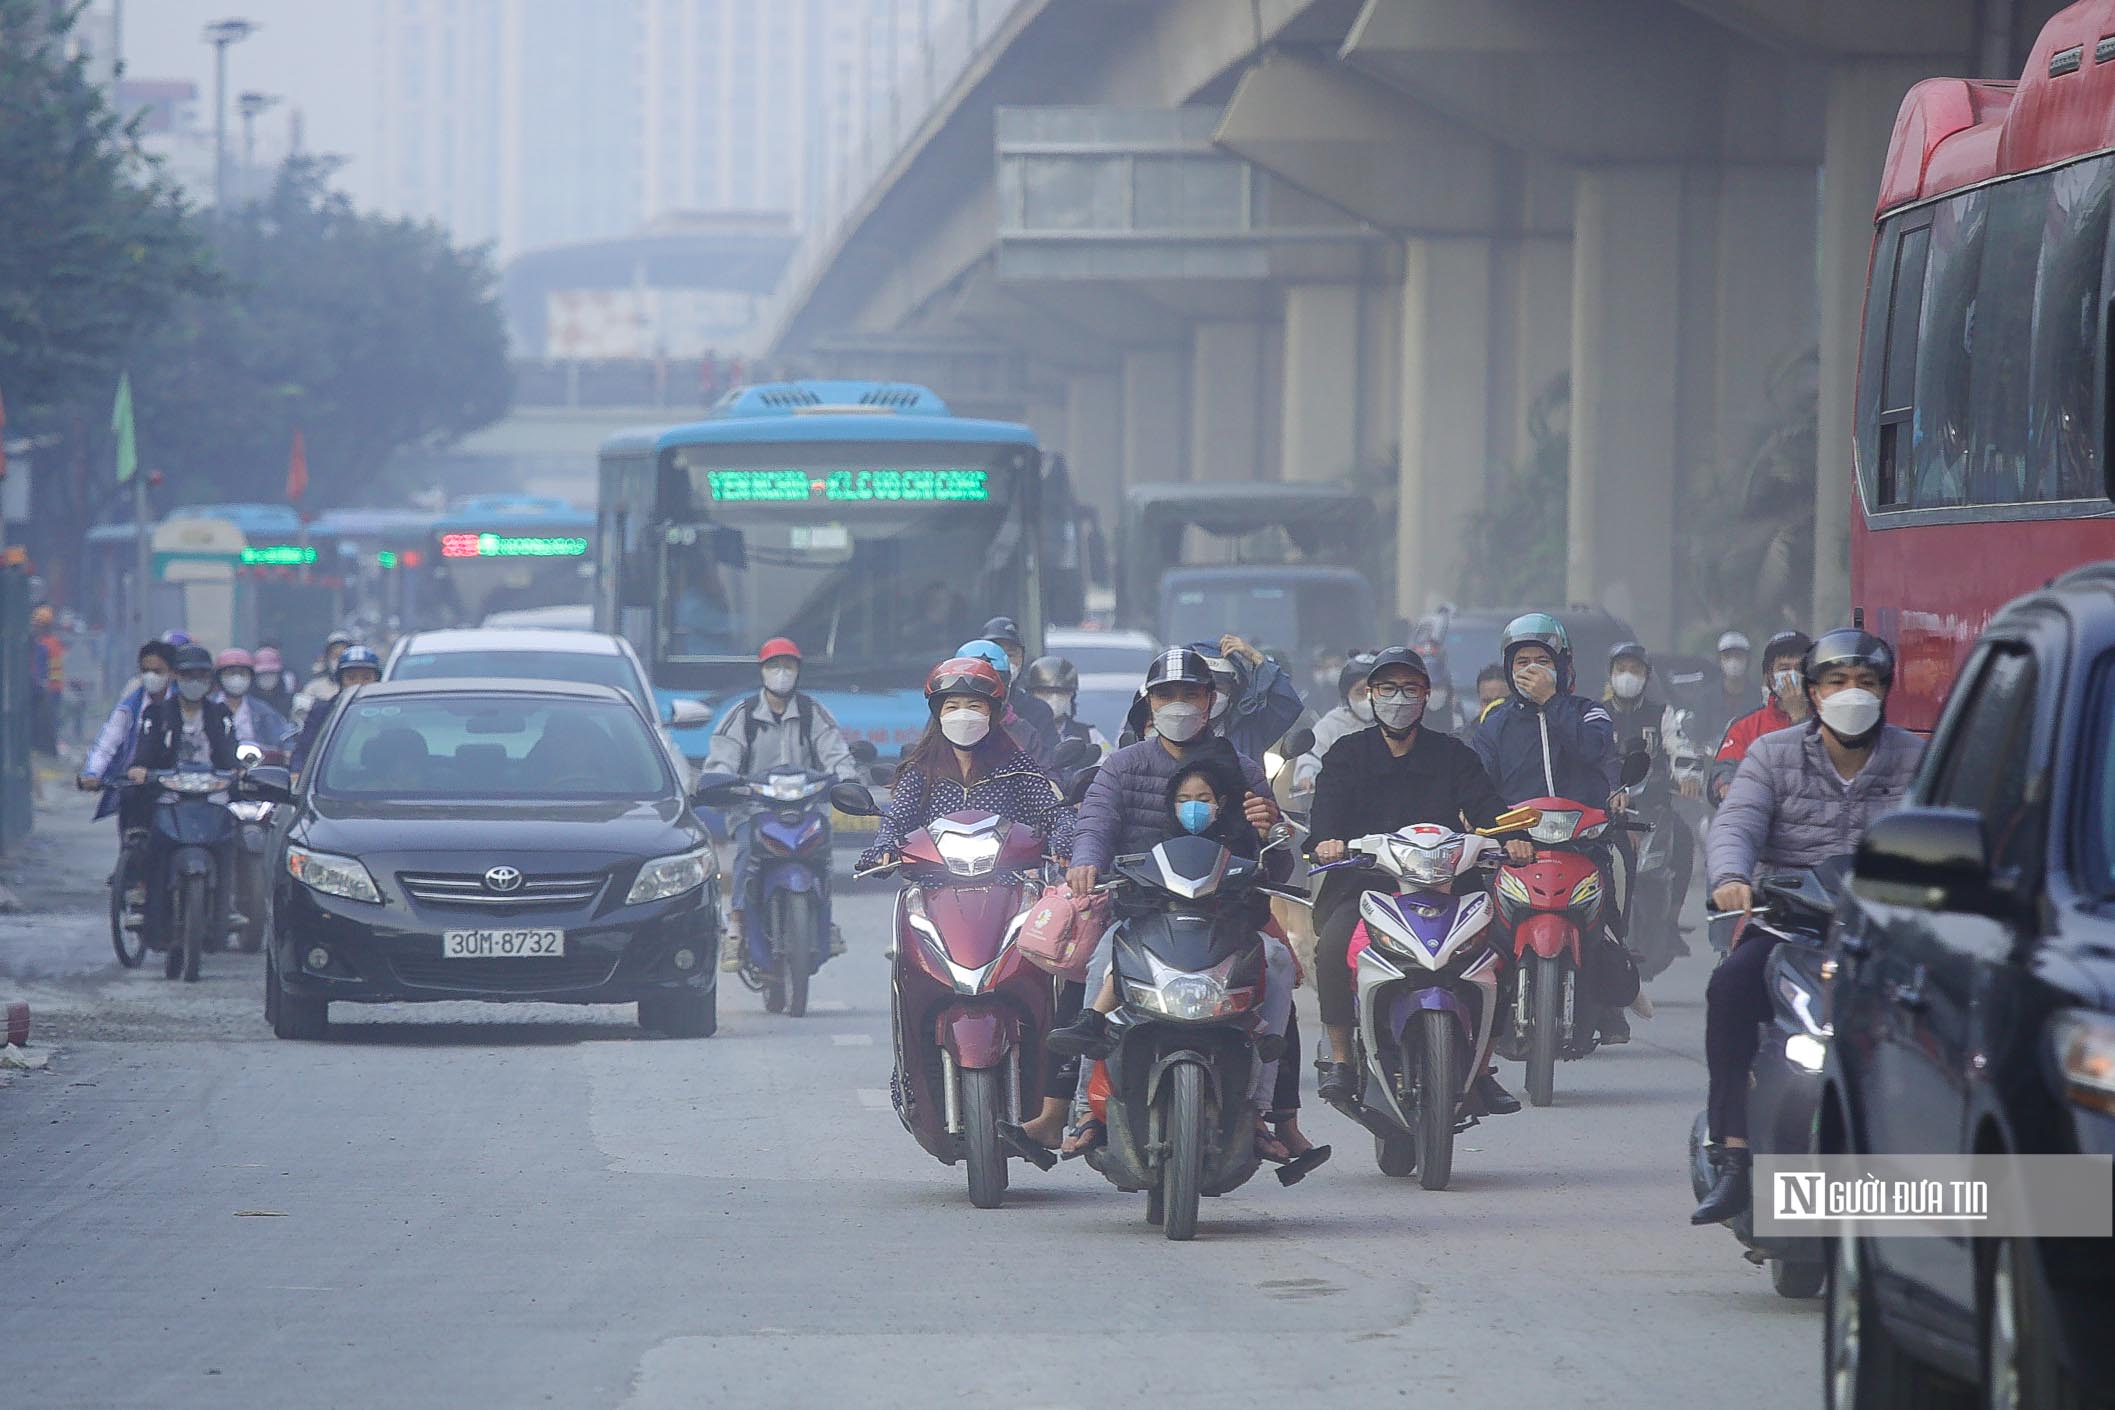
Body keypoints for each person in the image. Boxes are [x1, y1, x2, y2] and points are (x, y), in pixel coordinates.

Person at [1691, 630, 1923, 1224]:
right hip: (1789, 922)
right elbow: (1737, 821)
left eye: (1866, 682)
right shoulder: (1772, 755)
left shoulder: (1919, 760)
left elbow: (1941, 832)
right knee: (1731, 989)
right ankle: (1734, 1153)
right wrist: (1732, 877)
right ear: (1812, 693)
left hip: (1886, 931)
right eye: (1837, 682)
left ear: (1885, 691)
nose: (1852, 694)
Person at [1057, 649, 1313, 1161]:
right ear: (1149, 704)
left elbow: (1276, 861)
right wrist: (1086, 862)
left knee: (1280, 964)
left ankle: (1266, 1112)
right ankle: (1088, 1108)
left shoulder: (1239, 768)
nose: (1178, 704)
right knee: (1097, 963)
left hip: (1228, 916)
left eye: (1189, 694)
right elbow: (1096, 823)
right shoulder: (1122, 766)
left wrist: (1270, 831)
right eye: (1166, 695)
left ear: (1210, 701)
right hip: (1143, 914)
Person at [856, 656, 1078, 1149]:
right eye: (952, 705)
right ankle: (911, 1075)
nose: (963, 715)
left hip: (1007, 892)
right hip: (936, 894)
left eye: (974, 705)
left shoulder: (1018, 769)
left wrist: (1065, 838)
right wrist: (883, 846)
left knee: (1055, 972)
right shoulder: (921, 770)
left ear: (994, 711)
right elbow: (896, 820)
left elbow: (1053, 811)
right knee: (906, 975)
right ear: (937, 713)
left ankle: (1054, 1086)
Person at [1307, 648, 1529, 1113]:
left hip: (1448, 887)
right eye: (1387, 689)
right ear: (1370, 696)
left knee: (1501, 955)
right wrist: (1328, 841)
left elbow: (1487, 806)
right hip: (1368, 886)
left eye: (1409, 688)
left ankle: (1483, 1067)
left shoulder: (1453, 755)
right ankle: (1342, 1059)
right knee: (1330, 948)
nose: (1398, 699)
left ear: (1426, 696)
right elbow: (1326, 814)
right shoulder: (1348, 754)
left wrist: (1513, 837)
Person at [1472, 613, 1630, 1043]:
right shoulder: (1496, 722)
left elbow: (1594, 750)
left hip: (1582, 844)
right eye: (1521, 661)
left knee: (1615, 882)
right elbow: (1478, 782)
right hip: (1514, 845)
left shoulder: (1589, 712)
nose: (1531, 669)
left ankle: (1613, 996)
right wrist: (1492, 831)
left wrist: (1551, 702)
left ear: (1562, 664)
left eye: (1541, 659)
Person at [703, 638, 862, 969]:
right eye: (774, 666)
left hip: (805, 809)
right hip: (754, 809)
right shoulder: (742, 715)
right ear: (762, 671)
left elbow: (836, 753)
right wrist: (722, 781)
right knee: (747, 853)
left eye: (788, 666)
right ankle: (735, 928)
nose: (781, 673)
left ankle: (825, 921)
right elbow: (722, 760)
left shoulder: (812, 713)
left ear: (798, 671)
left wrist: (846, 778)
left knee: (823, 851)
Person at [78, 640, 180, 911]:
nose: (151, 677)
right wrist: (92, 773)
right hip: (136, 779)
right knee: (133, 821)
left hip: (180, 782)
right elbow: (107, 743)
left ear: (172, 672)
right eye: (145, 670)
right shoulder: (131, 705)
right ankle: (136, 881)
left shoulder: (187, 703)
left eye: (158, 670)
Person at [1604, 641, 1695, 943]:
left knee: (1683, 839)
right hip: (1607, 812)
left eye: (1635, 670)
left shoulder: (1661, 714)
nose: (1627, 675)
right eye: (1621, 669)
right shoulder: (1596, 715)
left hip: (1653, 807)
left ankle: (1671, 920)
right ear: (1611, 674)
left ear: (1646, 676)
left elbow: (1680, 748)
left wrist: (1687, 777)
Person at [1710, 629, 1814, 803]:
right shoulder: (1746, 726)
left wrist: (1799, 718)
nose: (1792, 676)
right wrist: (1725, 783)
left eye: (1799, 668)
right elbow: (1724, 768)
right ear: (1769, 678)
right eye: (1784, 669)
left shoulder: (1827, 721)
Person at [1187, 634, 1304, 763]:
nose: (1212, 695)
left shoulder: (1251, 731)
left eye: (1219, 686)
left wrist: (1256, 657)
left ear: (1232, 691)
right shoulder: (1172, 728)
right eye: (1203, 687)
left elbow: (1287, 705)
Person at [129, 644, 240, 778]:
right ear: (176, 675)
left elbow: (229, 752)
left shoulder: (221, 714)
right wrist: (139, 769)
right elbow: (144, 751)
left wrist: (237, 770)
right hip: (167, 793)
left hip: (215, 792)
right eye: (188, 675)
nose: (195, 681)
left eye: (202, 675)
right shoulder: (156, 713)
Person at [1290, 652, 1376, 803]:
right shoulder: (1330, 725)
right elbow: (1311, 758)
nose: (1367, 700)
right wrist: (1307, 776)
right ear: (1346, 695)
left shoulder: (1395, 722)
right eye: (1359, 692)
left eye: (1373, 692)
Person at [976, 617, 1059, 765]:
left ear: (1022, 659)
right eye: (995, 655)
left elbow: (1051, 767)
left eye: (1010, 655)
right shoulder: (956, 704)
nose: (1003, 662)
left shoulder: (1038, 711)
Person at [290, 645, 382, 777]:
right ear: (341, 681)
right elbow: (304, 751)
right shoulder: (323, 712)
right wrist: (297, 774)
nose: (359, 683)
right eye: (351, 678)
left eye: (366, 678)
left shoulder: (391, 714)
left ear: (376, 680)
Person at [214, 648, 294, 757]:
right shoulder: (207, 708)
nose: (237, 679)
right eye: (231, 673)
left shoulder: (263, 711)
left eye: (242, 674)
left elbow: (284, 741)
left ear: (251, 678)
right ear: (219, 677)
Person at [1022, 655, 1108, 755]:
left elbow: (1108, 765)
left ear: (1071, 695)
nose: (1054, 698)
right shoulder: (1017, 733)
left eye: (1061, 692)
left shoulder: (1089, 736)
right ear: (1031, 694)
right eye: (1045, 692)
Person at [1695, 629, 1754, 757]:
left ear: (1748, 660)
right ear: (1719, 660)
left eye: (1738, 656)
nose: (1733, 662)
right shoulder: (1706, 699)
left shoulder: (1759, 699)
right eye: (1727, 656)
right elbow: (1698, 739)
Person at [293, 630, 356, 727]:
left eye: (343, 655)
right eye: (335, 655)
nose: (338, 660)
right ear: (327, 658)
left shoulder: (361, 686)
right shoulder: (313, 688)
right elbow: (300, 720)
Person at [29, 605, 63, 754]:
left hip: (47, 690)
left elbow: (42, 669)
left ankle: (46, 748)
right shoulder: (53, 643)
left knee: (47, 722)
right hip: (52, 689)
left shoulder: (43, 645)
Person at [251, 645, 296, 718]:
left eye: (271, 673)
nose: (267, 678)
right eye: (263, 674)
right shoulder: (246, 701)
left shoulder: (291, 702)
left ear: (279, 674)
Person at [1472, 663, 1509, 727]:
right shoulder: (1462, 736)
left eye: (1499, 702)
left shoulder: (1528, 734)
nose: (1492, 708)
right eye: (1487, 702)